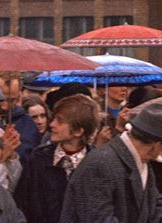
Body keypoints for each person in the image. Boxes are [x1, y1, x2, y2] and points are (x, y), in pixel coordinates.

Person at [59, 102, 162, 223]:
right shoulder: (100, 164)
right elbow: (99, 218)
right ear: (156, 145)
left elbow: (153, 201)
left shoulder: (143, 161)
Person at [14, 94, 100, 223]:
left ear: (78, 131)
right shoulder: (39, 159)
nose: (52, 124)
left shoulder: (97, 163)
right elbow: (22, 204)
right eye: (53, 118)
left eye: (60, 121)